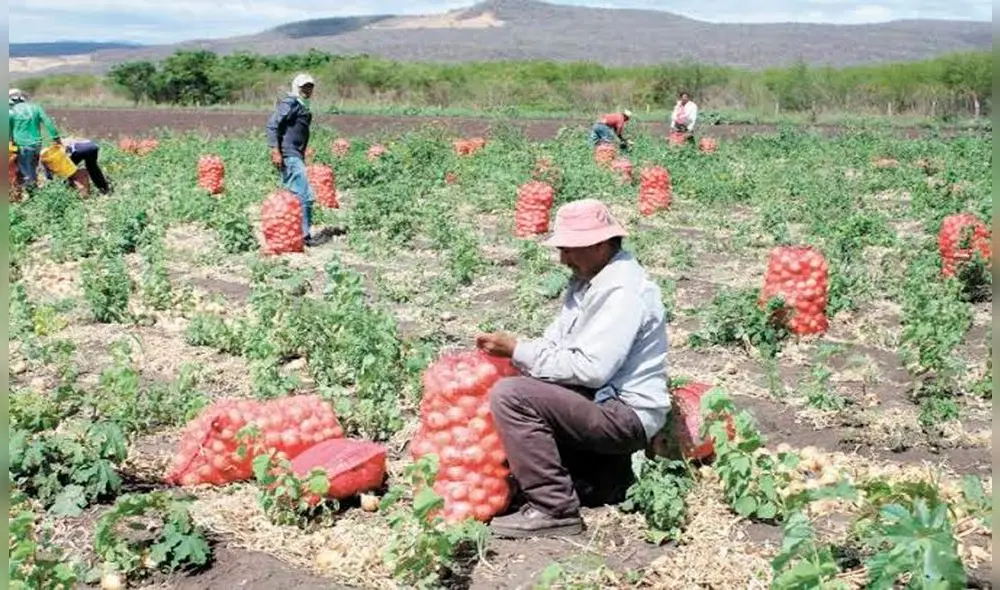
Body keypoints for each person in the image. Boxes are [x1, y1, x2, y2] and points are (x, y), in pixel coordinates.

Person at [476, 198, 670, 539]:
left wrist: (518, 350)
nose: (563, 258)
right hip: (601, 401)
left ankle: (555, 510)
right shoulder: (589, 280)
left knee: (512, 395)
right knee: (528, 384)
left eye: (569, 249)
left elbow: (592, 369)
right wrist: (521, 355)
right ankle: (601, 479)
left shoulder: (622, 290)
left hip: (625, 414)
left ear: (600, 245)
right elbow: (557, 345)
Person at [266, 73, 319, 246]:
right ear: (297, 87)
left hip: (296, 154)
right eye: (304, 87)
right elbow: (273, 125)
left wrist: (304, 148)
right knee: (305, 194)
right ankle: (304, 236)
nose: (307, 90)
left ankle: (290, 234)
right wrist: (275, 150)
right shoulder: (291, 103)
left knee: (293, 194)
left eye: (310, 86)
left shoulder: (302, 105)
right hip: (290, 154)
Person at [9, 88, 61, 192]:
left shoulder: (10, 112)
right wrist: (56, 138)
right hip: (37, 144)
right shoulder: (36, 108)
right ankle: (36, 191)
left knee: (25, 170)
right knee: (33, 167)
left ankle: (31, 195)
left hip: (22, 145)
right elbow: (48, 123)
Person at [43, 137, 112, 195]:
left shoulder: (48, 157)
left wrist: (49, 180)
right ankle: (104, 189)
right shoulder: (61, 143)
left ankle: (71, 191)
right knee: (93, 168)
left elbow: (48, 173)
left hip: (79, 150)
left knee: (69, 172)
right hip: (92, 146)